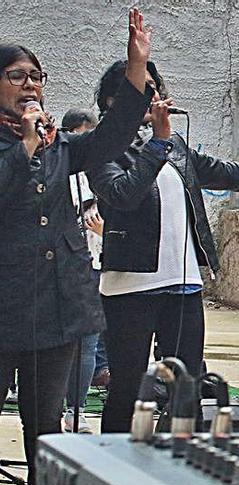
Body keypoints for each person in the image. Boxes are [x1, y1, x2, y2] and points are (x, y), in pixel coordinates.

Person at [87, 60, 239, 434]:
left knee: (187, 384)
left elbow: (224, 171)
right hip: (130, 285)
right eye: (139, 89)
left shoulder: (174, 145)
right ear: (114, 99)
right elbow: (123, 195)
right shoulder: (104, 147)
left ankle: (177, 465)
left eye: (153, 88)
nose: (151, 96)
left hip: (183, 283)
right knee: (127, 386)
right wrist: (158, 142)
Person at [0, 9, 154, 485]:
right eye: (17, 77)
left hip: (57, 304)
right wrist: (24, 146)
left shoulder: (61, 146)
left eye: (36, 77)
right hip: (4, 304)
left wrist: (136, 69)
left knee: (46, 423)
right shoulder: (26, 144)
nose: (30, 86)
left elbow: (112, 135)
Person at [60, 108, 102, 433]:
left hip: (96, 263)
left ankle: (77, 409)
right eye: (78, 135)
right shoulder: (56, 170)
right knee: (59, 343)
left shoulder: (104, 171)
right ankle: (55, 406)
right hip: (61, 266)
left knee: (88, 343)